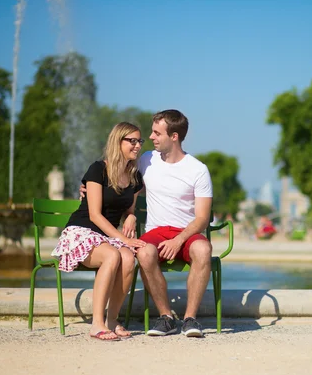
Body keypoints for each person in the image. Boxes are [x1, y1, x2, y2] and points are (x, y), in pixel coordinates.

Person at [80, 109, 213, 338]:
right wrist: (126, 210)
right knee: (143, 253)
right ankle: (166, 317)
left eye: (156, 133)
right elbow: (121, 183)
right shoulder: (146, 160)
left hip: (185, 233)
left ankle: (190, 320)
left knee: (204, 249)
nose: (150, 138)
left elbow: (201, 218)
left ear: (174, 136)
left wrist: (179, 239)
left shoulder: (198, 170)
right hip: (155, 231)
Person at [52, 122, 147, 341]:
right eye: (131, 141)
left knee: (127, 257)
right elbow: (94, 215)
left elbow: (129, 209)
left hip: (105, 237)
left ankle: (112, 320)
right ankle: (97, 324)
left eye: (139, 141)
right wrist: (125, 239)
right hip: (82, 231)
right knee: (114, 255)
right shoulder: (98, 169)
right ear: (118, 141)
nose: (137, 146)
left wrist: (131, 216)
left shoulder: (134, 176)